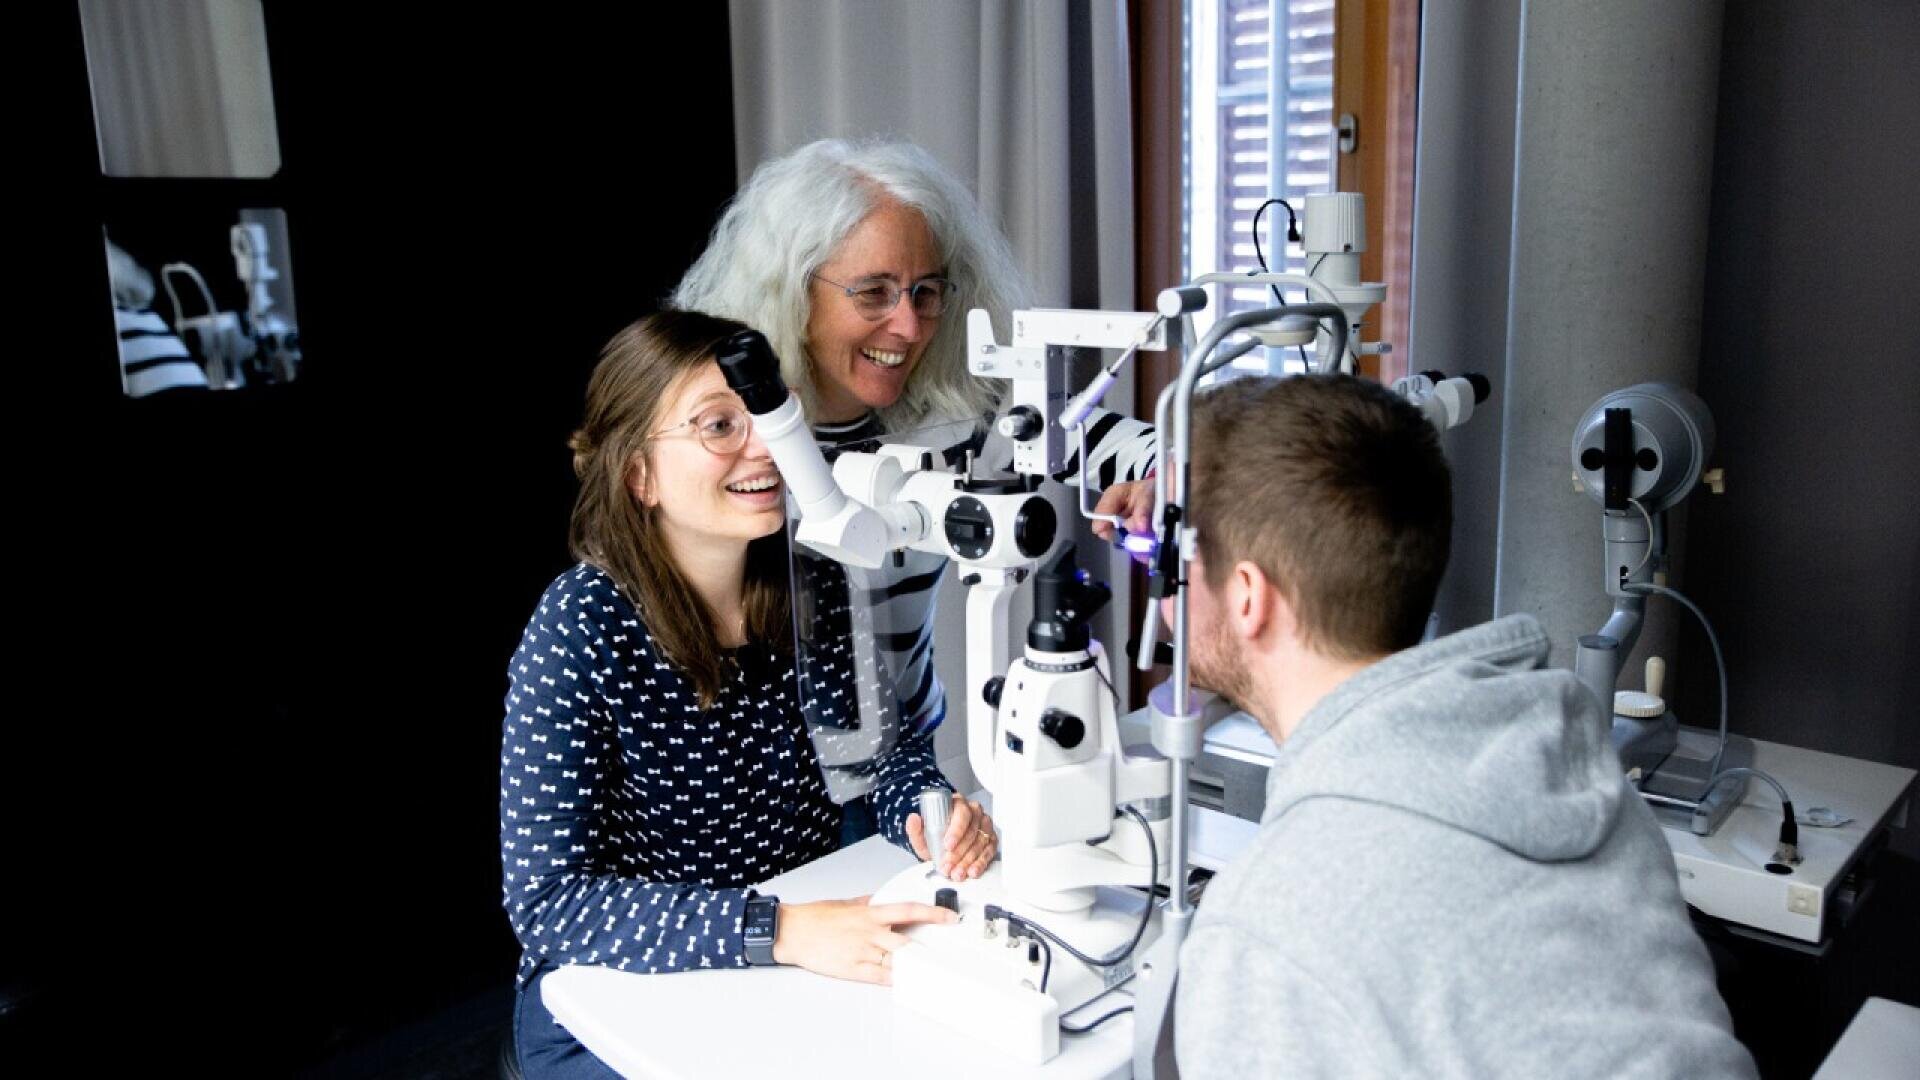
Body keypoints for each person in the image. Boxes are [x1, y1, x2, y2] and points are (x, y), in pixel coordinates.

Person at [1171, 374, 1756, 1077]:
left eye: (1174, 559)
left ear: (1246, 597)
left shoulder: (1268, 929)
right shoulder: (1586, 788)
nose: (1161, 581)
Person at [502, 311, 1000, 1078]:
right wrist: (778, 929)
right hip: (612, 999)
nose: (764, 446)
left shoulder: (816, 582)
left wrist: (930, 815)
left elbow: (885, 757)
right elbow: (551, 902)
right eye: (718, 426)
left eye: (766, 415)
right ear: (640, 474)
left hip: (789, 959)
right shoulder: (580, 627)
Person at [674, 138, 1160, 812]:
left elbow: (1127, 446)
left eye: (926, 292)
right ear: (791, 290)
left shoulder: (958, 415)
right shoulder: (728, 434)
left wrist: (1160, 477)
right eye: (872, 292)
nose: (906, 325)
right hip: (753, 795)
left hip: (904, 774)